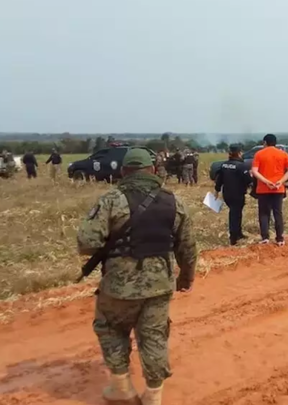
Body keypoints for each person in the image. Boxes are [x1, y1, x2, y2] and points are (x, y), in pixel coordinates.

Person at [77, 148, 197, 405]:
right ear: (153, 171)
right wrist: (185, 280)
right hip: (159, 285)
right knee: (154, 336)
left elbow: (86, 243)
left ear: (123, 172)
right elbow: (187, 249)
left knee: (111, 329)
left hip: (118, 286)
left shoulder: (111, 199)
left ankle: (122, 389)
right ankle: (154, 396)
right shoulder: (175, 202)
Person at [251, 134, 288, 246]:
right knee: (278, 213)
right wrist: (281, 181)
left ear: (264, 142)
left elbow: (255, 171)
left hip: (263, 189)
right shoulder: (283, 154)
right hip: (278, 188)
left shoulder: (259, 154)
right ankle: (280, 238)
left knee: (264, 214)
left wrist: (266, 182)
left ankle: (265, 237)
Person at [214, 145, 252, 245]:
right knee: (234, 214)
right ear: (239, 153)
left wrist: (216, 191)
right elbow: (248, 180)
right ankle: (233, 237)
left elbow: (219, 180)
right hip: (237, 194)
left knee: (236, 213)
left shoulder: (224, 165)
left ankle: (238, 233)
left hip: (226, 194)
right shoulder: (241, 166)